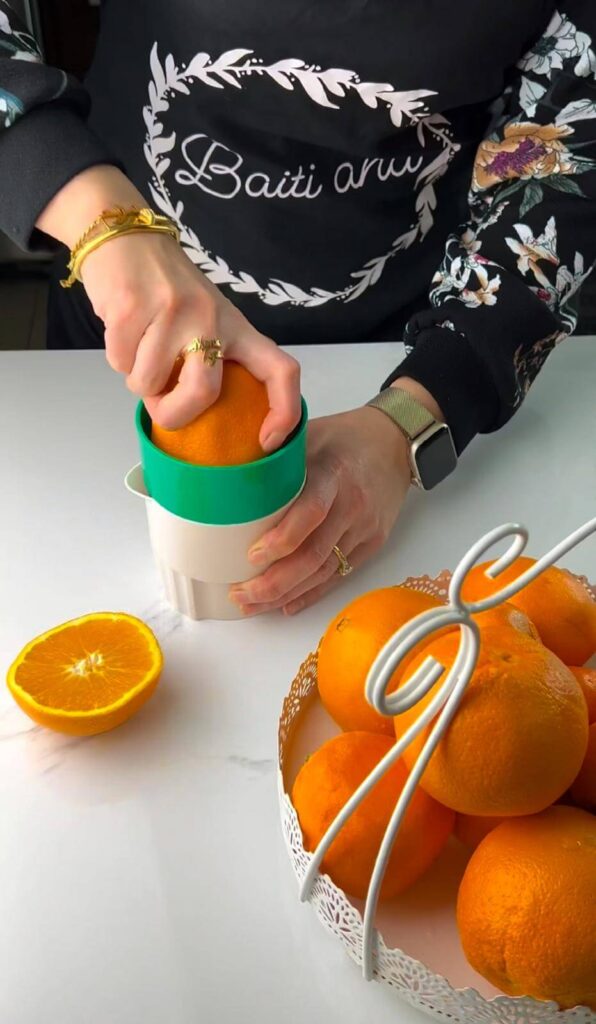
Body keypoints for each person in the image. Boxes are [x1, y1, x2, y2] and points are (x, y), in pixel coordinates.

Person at [1, 0, 595, 615]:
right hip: (111, 353)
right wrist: (104, 222)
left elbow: (569, 143)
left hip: (407, 348)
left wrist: (411, 421)